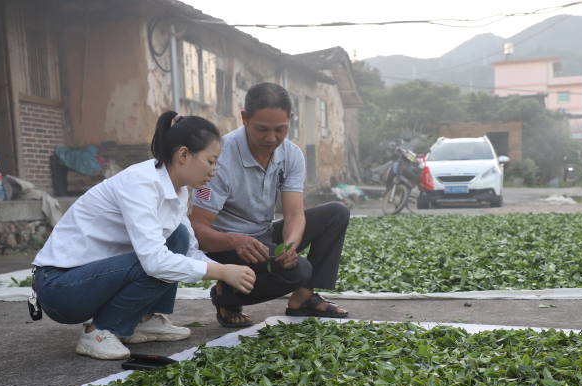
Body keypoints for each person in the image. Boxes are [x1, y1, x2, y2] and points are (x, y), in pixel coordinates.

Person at [32, 112, 256, 360]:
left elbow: (189, 249)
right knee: (157, 260)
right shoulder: (141, 183)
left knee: (179, 236)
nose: (214, 171)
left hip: (89, 279)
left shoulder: (178, 191)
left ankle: (144, 319)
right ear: (183, 155)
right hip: (60, 288)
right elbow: (155, 262)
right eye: (211, 161)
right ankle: (98, 332)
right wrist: (223, 272)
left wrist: (225, 273)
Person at [190, 83, 350, 328]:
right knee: (298, 271)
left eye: (280, 129)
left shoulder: (291, 154)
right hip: (227, 244)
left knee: (336, 213)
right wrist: (235, 241)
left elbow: (295, 215)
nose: (271, 138)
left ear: (291, 120)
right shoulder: (220, 157)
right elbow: (198, 230)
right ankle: (227, 294)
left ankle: (303, 297)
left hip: (264, 236)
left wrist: (289, 247)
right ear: (245, 118)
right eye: (262, 129)